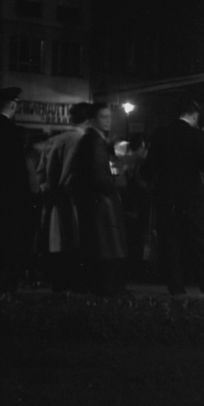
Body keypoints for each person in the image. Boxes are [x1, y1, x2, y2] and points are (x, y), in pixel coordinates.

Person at [145, 100, 204, 295]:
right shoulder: (196, 135)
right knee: (199, 238)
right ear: (193, 115)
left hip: (167, 194)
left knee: (170, 239)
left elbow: (150, 166)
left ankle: (175, 284)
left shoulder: (161, 134)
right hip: (191, 194)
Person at [70, 102, 128, 294]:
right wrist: (114, 187)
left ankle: (99, 285)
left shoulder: (93, 139)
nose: (108, 121)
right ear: (93, 119)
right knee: (106, 243)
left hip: (95, 198)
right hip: (101, 200)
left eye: (109, 117)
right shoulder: (95, 140)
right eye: (104, 117)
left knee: (99, 243)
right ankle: (107, 286)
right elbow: (99, 173)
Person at [41, 102, 90, 292]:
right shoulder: (84, 140)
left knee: (57, 242)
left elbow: (41, 173)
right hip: (74, 199)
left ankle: (58, 283)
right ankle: (75, 283)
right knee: (76, 241)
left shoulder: (54, 140)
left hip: (54, 198)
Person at [0, 87, 32, 295]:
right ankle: (6, 284)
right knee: (8, 242)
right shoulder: (10, 130)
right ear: (13, 105)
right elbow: (17, 169)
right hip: (9, 197)